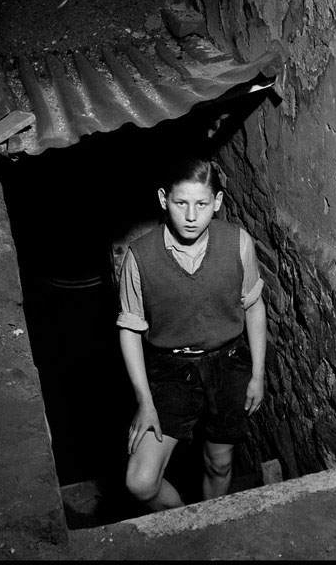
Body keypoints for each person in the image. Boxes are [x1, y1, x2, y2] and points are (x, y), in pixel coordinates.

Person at [116, 156, 267, 512]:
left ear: (216, 203)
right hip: (171, 374)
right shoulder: (139, 257)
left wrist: (258, 374)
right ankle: (187, 523)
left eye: (201, 204)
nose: (190, 216)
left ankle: (212, 524)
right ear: (162, 199)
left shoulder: (238, 242)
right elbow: (129, 330)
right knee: (140, 482)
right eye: (180, 203)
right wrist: (144, 401)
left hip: (228, 366)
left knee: (220, 463)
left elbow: (253, 306)